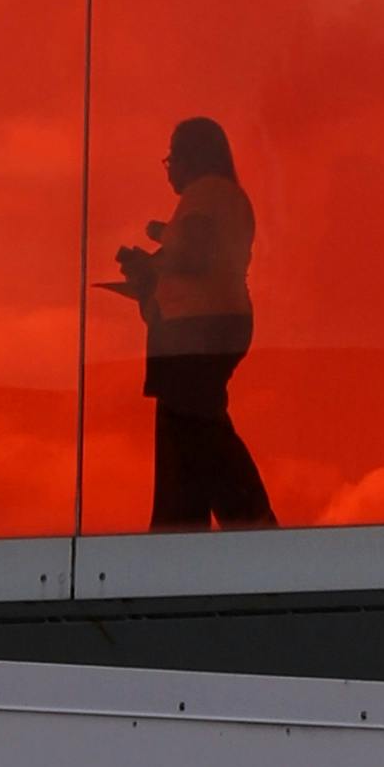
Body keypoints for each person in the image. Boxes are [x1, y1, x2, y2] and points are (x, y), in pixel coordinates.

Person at [114, 115, 277, 530]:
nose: (170, 168)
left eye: (172, 158)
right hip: (213, 325)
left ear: (189, 157)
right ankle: (211, 526)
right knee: (195, 428)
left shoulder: (206, 195)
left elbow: (197, 254)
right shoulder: (227, 197)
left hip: (196, 332)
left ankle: (231, 524)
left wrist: (153, 262)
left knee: (192, 432)